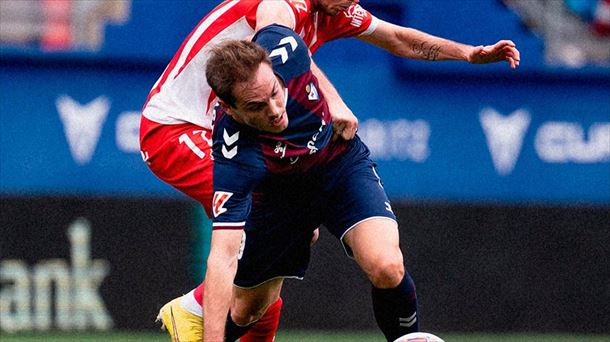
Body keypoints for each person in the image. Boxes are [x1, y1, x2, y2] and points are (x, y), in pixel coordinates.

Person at [139, 1, 520, 341]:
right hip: (175, 127)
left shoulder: (336, 9)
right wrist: (333, 100)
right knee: (258, 224)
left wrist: (468, 53)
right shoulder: (280, 7)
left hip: (314, 154)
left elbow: (398, 38)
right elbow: (274, 46)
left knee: (332, 259)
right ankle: (198, 308)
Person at [204, 24, 418, 341]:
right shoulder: (234, 153)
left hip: (338, 165)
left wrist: (335, 100)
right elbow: (222, 256)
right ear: (229, 109)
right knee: (247, 311)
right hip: (279, 198)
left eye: (275, 92)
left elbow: (276, 13)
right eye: (256, 107)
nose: (275, 110)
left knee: (387, 266)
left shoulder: (284, 45)